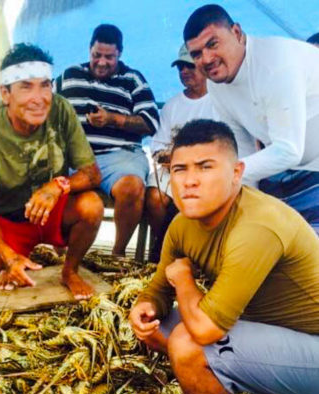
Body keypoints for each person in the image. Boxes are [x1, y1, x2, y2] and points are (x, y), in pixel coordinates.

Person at [129, 119, 319, 394]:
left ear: (237, 173)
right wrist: (145, 307)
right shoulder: (184, 224)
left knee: (187, 343)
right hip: (279, 331)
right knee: (161, 326)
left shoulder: (256, 227)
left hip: (312, 346)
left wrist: (184, 281)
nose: (190, 180)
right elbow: (157, 289)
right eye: (180, 169)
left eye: (205, 167)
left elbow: (204, 329)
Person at [0, 43, 103, 300]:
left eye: (45, 85)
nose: (39, 98)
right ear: (5, 94)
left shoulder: (61, 109)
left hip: (51, 210)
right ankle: (12, 264)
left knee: (92, 205)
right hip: (9, 220)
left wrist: (57, 186)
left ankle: (70, 272)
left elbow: (92, 174)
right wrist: (8, 256)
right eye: (26, 86)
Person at [183, 4, 319, 233]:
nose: (206, 59)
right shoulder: (217, 87)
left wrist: (221, 174)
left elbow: (288, 149)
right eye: (196, 54)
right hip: (280, 173)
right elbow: (243, 151)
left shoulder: (275, 63)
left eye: (212, 44)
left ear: (236, 32)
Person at [55, 24, 159, 256]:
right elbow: (44, 107)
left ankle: (118, 254)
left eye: (109, 57)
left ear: (119, 54)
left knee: (132, 187)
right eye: (96, 55)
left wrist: (113, 119)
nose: (102, 62)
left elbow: (151, 122)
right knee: (52, 179)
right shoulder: (69, 75)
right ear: (89, 50)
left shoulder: (132, 79)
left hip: (119, 157)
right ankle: (63, 253)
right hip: (75, 158)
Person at [147, 44, 218, 261]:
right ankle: (163, 244)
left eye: (189, 67)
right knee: (154, 197)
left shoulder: (221, 101)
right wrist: (173, 159)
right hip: (173, 168)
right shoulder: (172, 105)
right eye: (180, 68)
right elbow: (156, 146)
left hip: (207, 170)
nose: (184, 72)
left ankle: (193, 252)